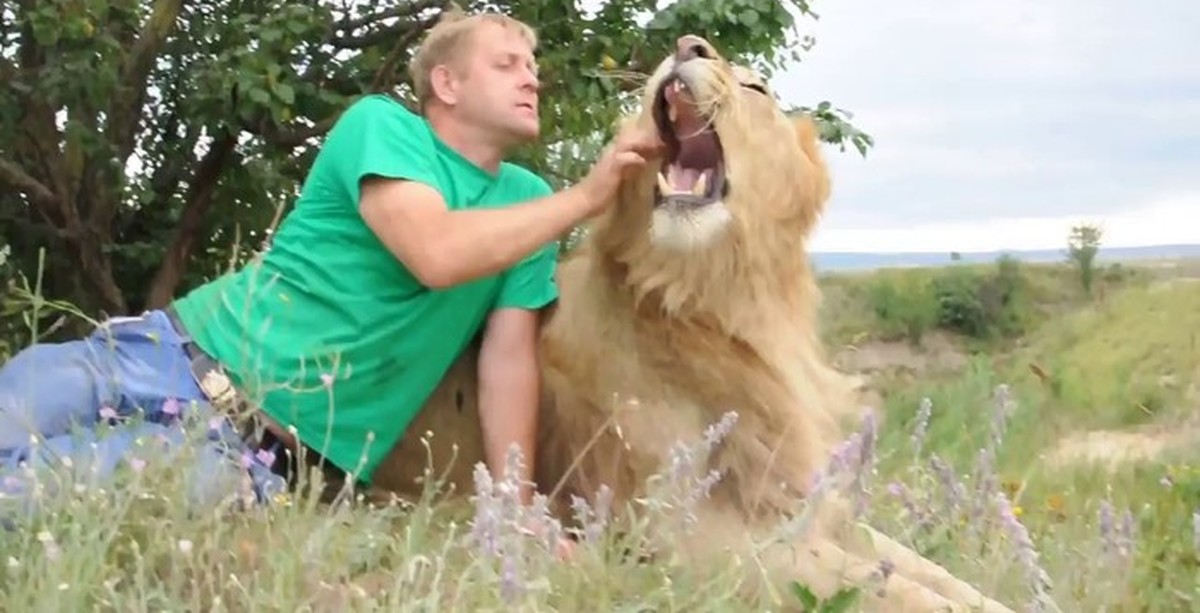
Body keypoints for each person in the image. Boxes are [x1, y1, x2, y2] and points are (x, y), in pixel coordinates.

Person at [0, 7, 662, 534]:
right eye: (507, 64)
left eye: (533, 66)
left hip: (256, 455)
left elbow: (508, 361)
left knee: (30, 497)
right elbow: (432, 251)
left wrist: (513, 508)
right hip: (170, 353)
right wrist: (584, 197)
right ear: (447, 84)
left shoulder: (528, 204)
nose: (532, 79)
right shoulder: (382, 127)